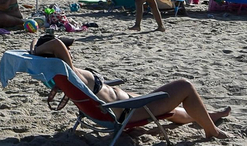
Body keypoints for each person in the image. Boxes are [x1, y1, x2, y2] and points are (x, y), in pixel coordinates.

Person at [29, 35, 227, 139]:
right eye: (68, 49)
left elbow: (55, 46)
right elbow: (56, 44)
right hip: (131, 111)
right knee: (185, 86)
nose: (70, 51)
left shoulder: (64, 76)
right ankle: (212, 132)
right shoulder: (69, 71)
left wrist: (37, 49)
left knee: (173, 110)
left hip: (128, 106)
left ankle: (208, 117)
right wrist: (36, 50)